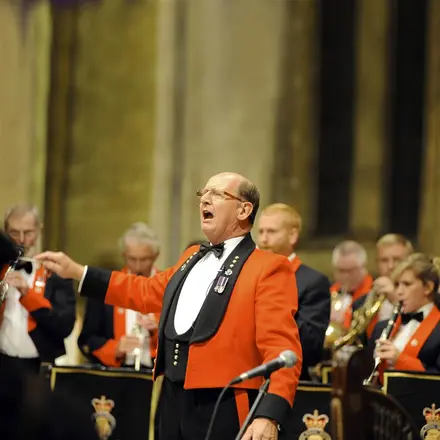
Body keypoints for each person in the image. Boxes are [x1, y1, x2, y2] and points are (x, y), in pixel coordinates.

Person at [36, 172, 303, 440]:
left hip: (224, 401)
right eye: (203, 194)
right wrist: (79, 272)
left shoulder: (268, 267)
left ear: (244, 209)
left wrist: (269, 413)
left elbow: (283, 349)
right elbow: (144, 291)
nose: (205, 200)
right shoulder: (191, 257)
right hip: (172, 397)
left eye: (218, 194)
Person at [257, 203, 330, 379]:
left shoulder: (312, 282)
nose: (264, 239)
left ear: (292, 236)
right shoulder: (251, 274)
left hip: (287, 376)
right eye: (260, 232)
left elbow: (311, 345)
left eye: (272, 232)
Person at [0, 204, 75, 374]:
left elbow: (64, 326)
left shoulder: (56, 272)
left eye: (28, 233)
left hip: (39, 366)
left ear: (39, 230)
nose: (20, 240)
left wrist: (28, 294)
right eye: (13, 232)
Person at [78, 222, 160, 368]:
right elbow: (87, 339)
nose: (138, 266)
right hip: (117, 372)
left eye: (144, 259)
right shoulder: (106, 287)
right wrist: (115, 349)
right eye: (132, 259)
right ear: (124, 255)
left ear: (155, 256)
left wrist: (160, 329)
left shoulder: (170, 287)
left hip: (157, 374)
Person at [370, 253, 440, 375]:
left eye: (407, 284)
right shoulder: (381, 328)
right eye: (397, 285)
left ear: (428, 287)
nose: (399, 292)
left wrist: (399, 360)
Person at [348, 234, 413, 341]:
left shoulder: (422, 299)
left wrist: (395, 298)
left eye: (397, 260)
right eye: (384, 260)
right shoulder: (361, 303)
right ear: (376, 264)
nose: (390, 266)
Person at [330, 240, 373, 327]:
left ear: (364, 267)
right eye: (341, 271)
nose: (346, 276)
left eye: (351, 270)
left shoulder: (374, 293)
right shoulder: (329, 294)